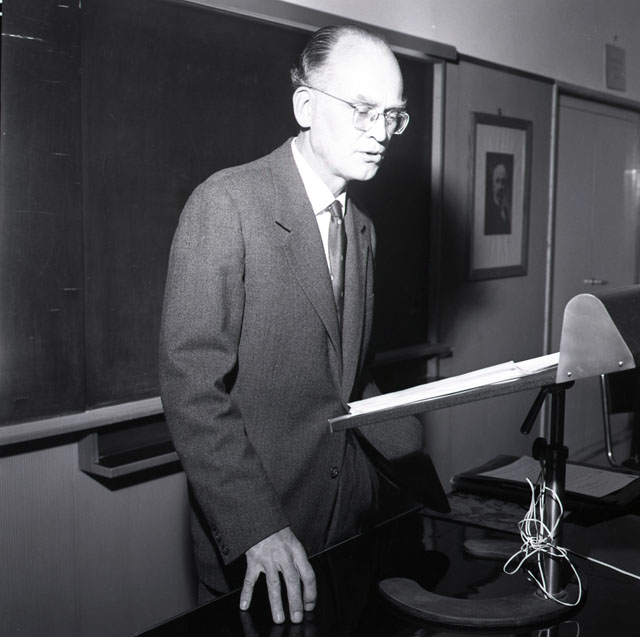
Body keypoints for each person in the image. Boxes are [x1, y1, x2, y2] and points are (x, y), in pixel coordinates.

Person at [159, 24, 448, 626]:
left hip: (351, 524)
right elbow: (192, 390)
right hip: (264, 539)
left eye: (392, 115)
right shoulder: (226, 205)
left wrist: (414, 472)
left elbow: (348, 379)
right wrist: (258, 528)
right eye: (363, 110)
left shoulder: (362, 229)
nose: (380, 133)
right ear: (306, 106)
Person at [484, 160, 512, 235]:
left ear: (506, 186)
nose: (500, 186)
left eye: (503, 182)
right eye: (497, 181)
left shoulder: (505, 210)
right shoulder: (487, 210)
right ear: (492, 185)